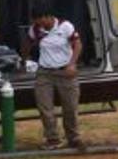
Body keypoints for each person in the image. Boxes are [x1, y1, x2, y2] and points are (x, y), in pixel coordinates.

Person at [23, 9, 84, 150]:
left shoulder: (65, 26)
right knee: (45, 107)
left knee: (70, 107)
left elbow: (77, 44)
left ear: (49, 16)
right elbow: (27, 42)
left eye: (41, 21)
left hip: (65, 71)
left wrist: (72, 64)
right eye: (36, 22)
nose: (40, 24)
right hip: (44, 73)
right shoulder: (36, 29)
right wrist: (25, 59)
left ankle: (73, 137)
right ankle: (53, 139)